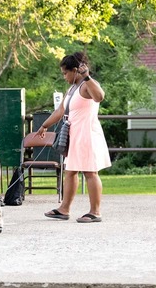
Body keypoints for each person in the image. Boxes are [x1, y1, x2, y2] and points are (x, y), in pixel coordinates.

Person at [37, 51, 111, 223]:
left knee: (90, 172)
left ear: (76, 70)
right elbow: (61, 110)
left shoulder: (87, 84)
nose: (64, 77)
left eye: (65, 73)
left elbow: (99, 97)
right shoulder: (72, 88)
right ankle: (64, 209)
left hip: (87, 134)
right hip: (74, 134)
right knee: (70, 172)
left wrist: (87, 77)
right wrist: (44, 125)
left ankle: (95, 212)